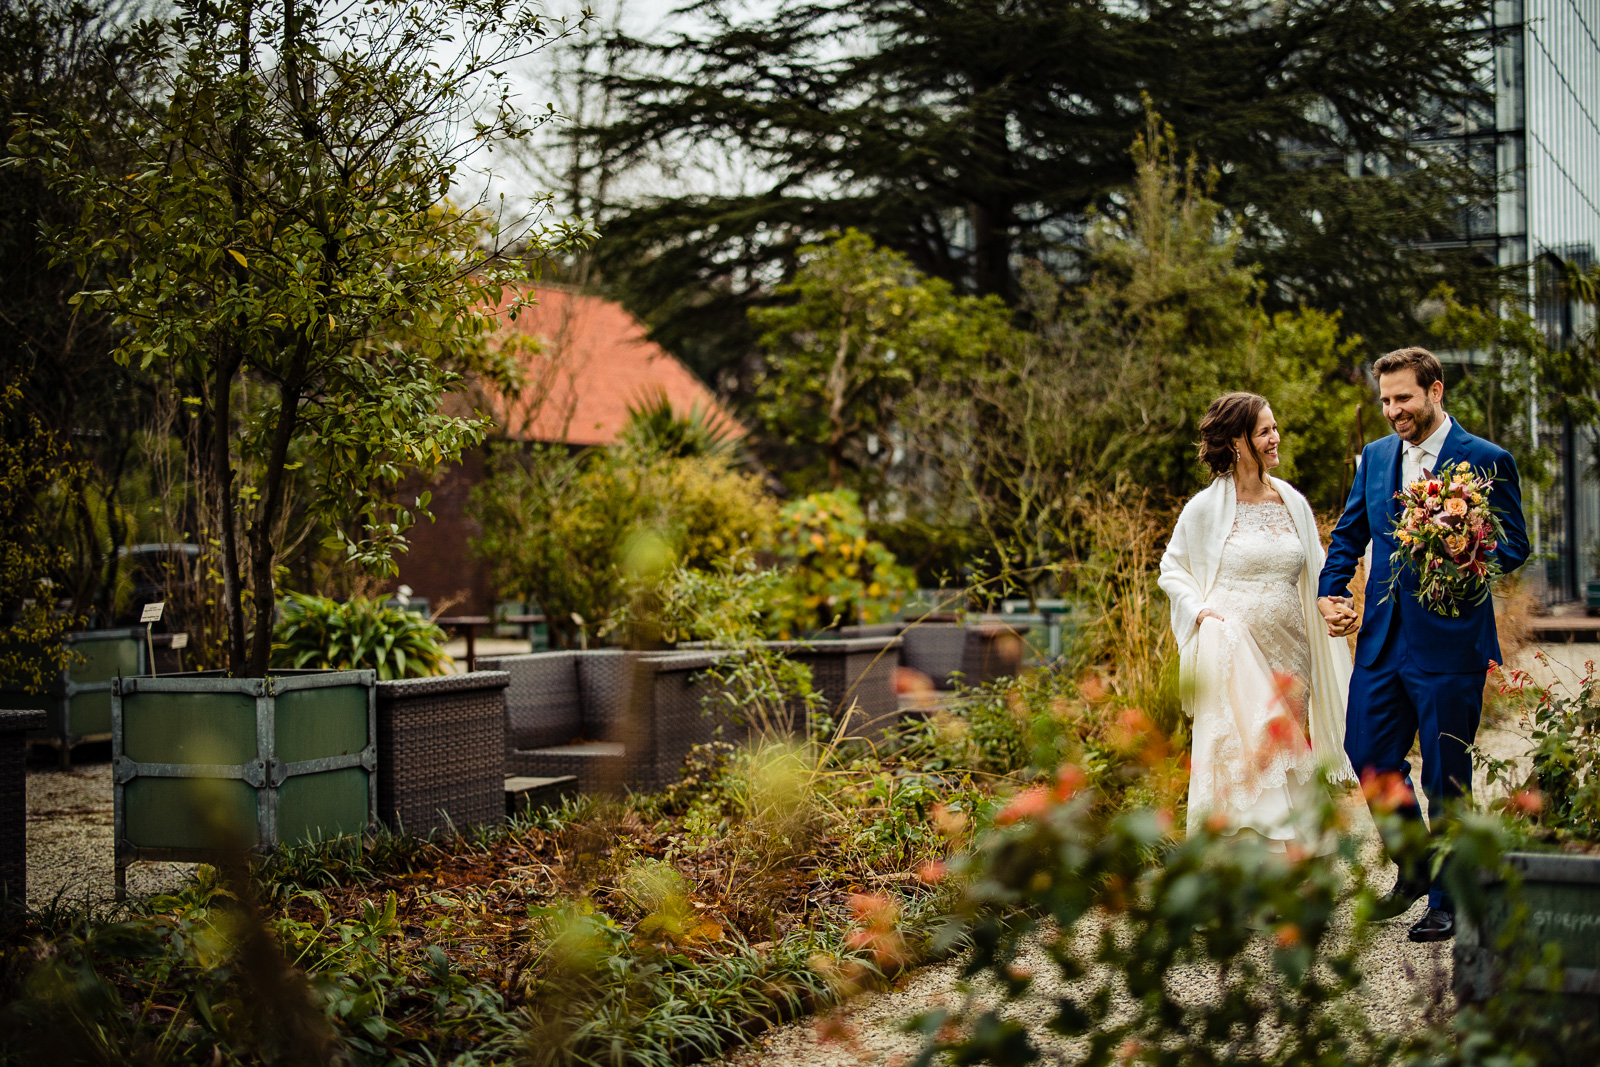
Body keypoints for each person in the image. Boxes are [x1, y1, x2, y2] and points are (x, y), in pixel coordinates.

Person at [1317, 347, 1529, 943]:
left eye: (1403, 398)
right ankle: (1414, 866)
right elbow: (1350, 532)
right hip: (1382, 640)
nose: (1392, 411)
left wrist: (1464, 548)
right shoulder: (1377, 458)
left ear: (1435, 391)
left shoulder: (1487, 460)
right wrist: (1332, 590)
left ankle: (1447, 899)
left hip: (1451, 642)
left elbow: (1514, 544)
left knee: (1446, 777)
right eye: (1385, 400)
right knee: (1366, 752)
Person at [1160, 393, 1357, 853]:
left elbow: (1319, 569)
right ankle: (1257, 873)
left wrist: (1333, 606)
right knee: (1249, 759)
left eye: (1274, 428)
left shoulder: (1291, 501)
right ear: (1237, 441)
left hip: (1293, 652)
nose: (1276, 438)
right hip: (1234, 651)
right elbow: (1173, 568)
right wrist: (1200, 612)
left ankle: (1293, 872)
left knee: (1287, 760)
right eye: (1265, 430)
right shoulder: (1205, 509)